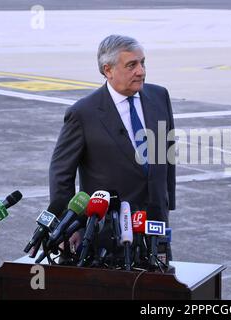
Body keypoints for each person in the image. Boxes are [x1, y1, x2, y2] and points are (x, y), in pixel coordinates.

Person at [49, 35, 176, 251]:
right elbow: (61, 173)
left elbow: (167, 154)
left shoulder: (159, 96)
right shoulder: (83, 113)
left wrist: (166, 203)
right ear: (108, 70)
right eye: (132, 65)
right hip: (105, 231)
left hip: (155, 226)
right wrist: (69, 226)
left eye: (142, 63)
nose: (141, 71)